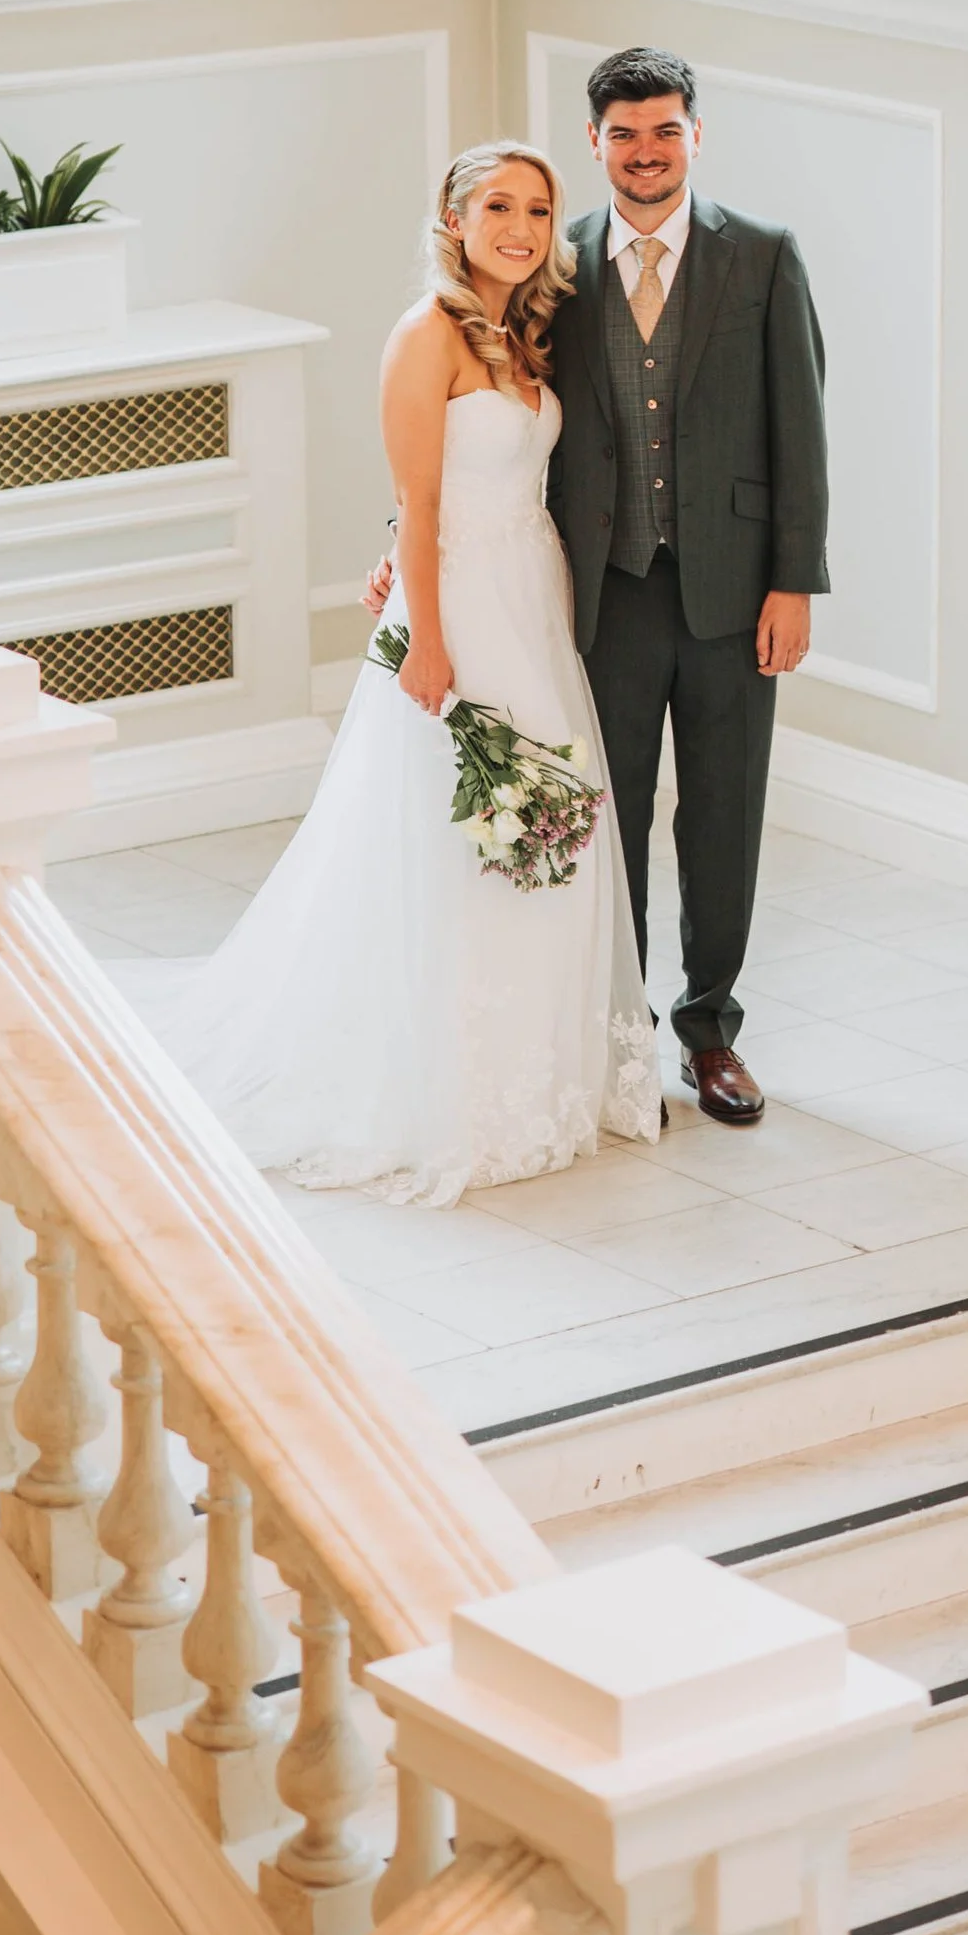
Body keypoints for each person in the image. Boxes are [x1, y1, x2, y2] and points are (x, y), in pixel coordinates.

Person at [155, 143, 661, 1205]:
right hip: (460, 610)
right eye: (497, 206)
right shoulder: (422, 335)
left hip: (534, 596)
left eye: (536, 209)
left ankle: (543, 1070)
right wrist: (424, 638)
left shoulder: (529, 335)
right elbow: (420, 502)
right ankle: (456, 1083)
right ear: (453, 214)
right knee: (457, 833)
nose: (520, 227)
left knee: (544, 827)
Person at [543, 47, 829, 1126]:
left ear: (695, 135)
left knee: (721, 816)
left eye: (665, 131)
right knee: (606, 820)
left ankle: (710, 1033)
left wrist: (793, 582)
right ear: (595, 143)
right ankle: (622, 1041)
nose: (646, 153)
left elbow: (800, 425)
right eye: (624, 135)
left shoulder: (759, 256)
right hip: (602, 595)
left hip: (731, 593)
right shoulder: (555, 264)